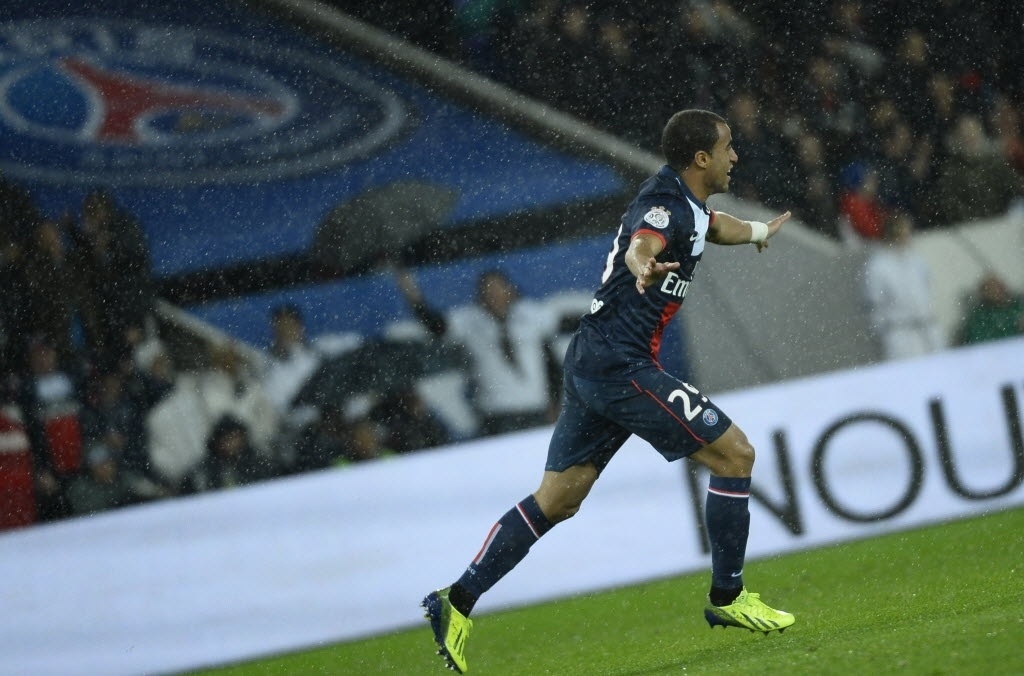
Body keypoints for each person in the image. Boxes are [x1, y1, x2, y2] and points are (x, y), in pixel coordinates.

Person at [421, 109, 795, 674]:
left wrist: (761, 232)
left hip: (593, 360)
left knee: (558, 499)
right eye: (727, 147)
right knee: (735, 454)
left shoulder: (685, 203)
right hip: (620, 366)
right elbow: (643, 243)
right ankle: (728, 598)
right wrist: (642, 264)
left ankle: (457, 600)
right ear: (701, 159)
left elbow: (713, 226)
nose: (734, 156)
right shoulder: (663, 208)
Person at [395, 267, 560, 436]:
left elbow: (551, 360)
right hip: (498, 415)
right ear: (480, 296)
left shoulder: (531, 315)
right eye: (488, 290)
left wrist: (558, 400)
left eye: (498, 288)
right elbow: (435, 325)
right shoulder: (470, 321)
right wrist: (412, 295)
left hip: (537, 410)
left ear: (510, 289)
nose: (494, 295)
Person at [862, 212, 945, 360]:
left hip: (926, 327)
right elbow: (873, 302)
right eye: (903, 230)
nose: (907, 235)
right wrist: (882, 332)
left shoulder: (916, 260)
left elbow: (927, 289)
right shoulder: (877, 265)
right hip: (899, 333)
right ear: (892, 233)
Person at [958, 273, 1024, 345]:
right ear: (985, 294)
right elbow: (984, 340)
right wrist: (1016, 328)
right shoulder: (980, 316)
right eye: (992, 289)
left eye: (999, 287)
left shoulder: (1019, 304)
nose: (998, 291)